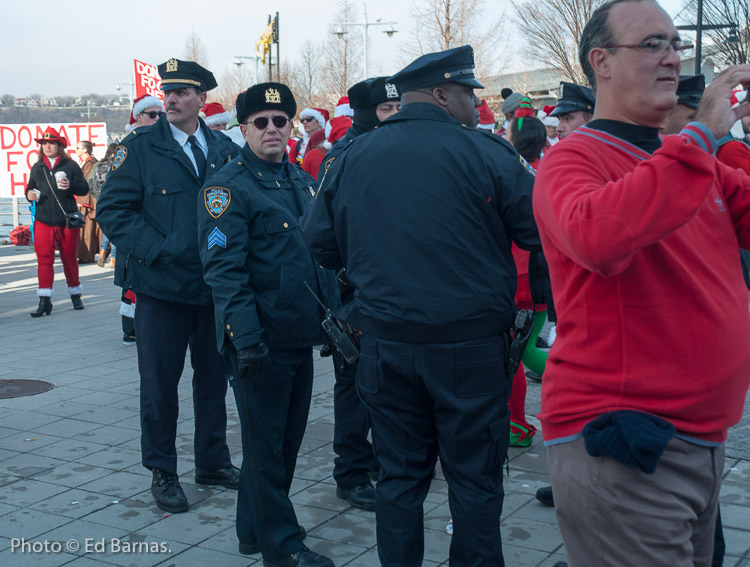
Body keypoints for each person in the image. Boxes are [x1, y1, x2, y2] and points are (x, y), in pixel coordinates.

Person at [301, 45, 541, 567]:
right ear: (440, 93)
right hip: (470, 350)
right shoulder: (487, 153)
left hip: (385, 346)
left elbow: (318, 242)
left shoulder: (352, 157)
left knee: (399, 480)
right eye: (465, 93)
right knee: (475, 481)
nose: (472, 104)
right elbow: (539, 228)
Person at [534, 2, 750, 565]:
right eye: (652, 44)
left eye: (675, 45)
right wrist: (700, 136)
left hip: (697, 440)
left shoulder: (685, 157)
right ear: (600, 61)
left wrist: (707, 145)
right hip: (624, 441)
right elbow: (599, 238)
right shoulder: (571, 160)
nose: (673, 58)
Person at [197, 82, 337, 567]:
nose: (273, 129)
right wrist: (247, 338)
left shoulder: (298, 181)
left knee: (283, 444)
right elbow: (223, 271)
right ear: (243, 129)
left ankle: (251, 531)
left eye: (281, 120)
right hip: (259, 342)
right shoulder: (226, 188)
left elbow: (318, 257)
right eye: (261, 121)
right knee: (266, 449)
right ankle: (285, 546)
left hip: (299, 335)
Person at [97, 58, 241, 514]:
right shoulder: (138, 148)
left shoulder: (223, 149)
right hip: (161, 291)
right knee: (159, 385)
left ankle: (213, 462)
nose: (172, 98)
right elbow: (113, 211)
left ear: (202, 99)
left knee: (213, 382)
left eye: (182, 92)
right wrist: (159, 250)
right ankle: (162, 470)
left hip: (213, 289)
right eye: (167, 91)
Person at [315, 76, 402, 513]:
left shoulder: (396, 150)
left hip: (392, 292)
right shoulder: (343, 157)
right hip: (354, 294)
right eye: (386, 111)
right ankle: (350, 471)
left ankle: (378, 461)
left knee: (387, 384)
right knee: (353, 386)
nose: (394, 118)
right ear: (366, 114)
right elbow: (324, 232)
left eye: (397, 109)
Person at [24, 127, 89, 316]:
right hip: (44, 219)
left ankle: (75, 294)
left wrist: (71, 185)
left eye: (51, 143)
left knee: (69, 260)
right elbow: (30, 188)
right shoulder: (37, 167)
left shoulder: (71, 165)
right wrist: (29, 195)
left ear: (59, 146)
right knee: (44, 260)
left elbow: (84, 189)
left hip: (66, 220)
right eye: (44, 143)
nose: (47, 146)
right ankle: (45, 301)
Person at [75, 140, 100, 264]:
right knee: (88, 228)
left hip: (88, 200)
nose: (76, 149)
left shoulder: (89, 164)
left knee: (87, 228)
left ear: (85, 150)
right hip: (87, 199)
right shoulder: (88, 163)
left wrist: (81, 200)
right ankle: (92, 253)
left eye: (78, 147)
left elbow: (87, 183)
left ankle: (86, 255)